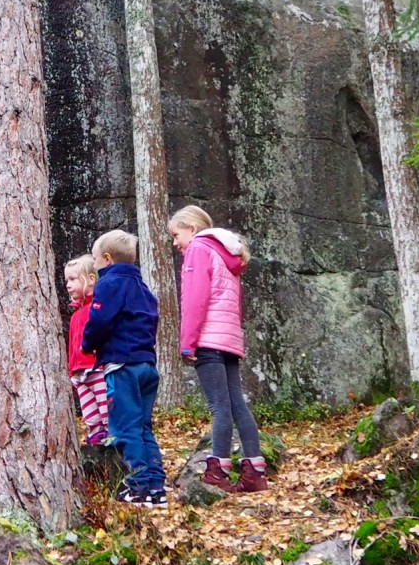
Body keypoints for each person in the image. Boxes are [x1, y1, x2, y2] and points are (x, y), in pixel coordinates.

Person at [168, 205, 267, 493]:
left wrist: (188, 342)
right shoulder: (227, 257)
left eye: (176, 235)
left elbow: (194, 300)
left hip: (208, 339)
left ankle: (217, 471)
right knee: (237, 404)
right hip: (228, 339)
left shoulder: (198, 250)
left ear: (192, 229)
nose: (176, 243)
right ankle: (255, 471)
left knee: (219, 407)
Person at [80, 230, 166, 507]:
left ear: (106, 259)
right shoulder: (143, 289)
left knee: (124, 427)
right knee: (143, 427)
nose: (94, 265)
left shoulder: (109, 284)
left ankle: (139, 486)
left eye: (94, 260)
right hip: (147, 365)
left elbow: (100, 319)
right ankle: (156, 485)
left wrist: (87, 343)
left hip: (122, 365)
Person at [64, 254, 109, 445]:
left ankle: (109, 434)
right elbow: (72, 345)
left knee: (105, 406)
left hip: (97, 368)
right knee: (89, 412)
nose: (68, 285)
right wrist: (71, 371)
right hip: (79, 372)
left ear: (91, 279)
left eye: (73, 279)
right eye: (67, 280)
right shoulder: (75, 314)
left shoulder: (97, 307)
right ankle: (96, 434)